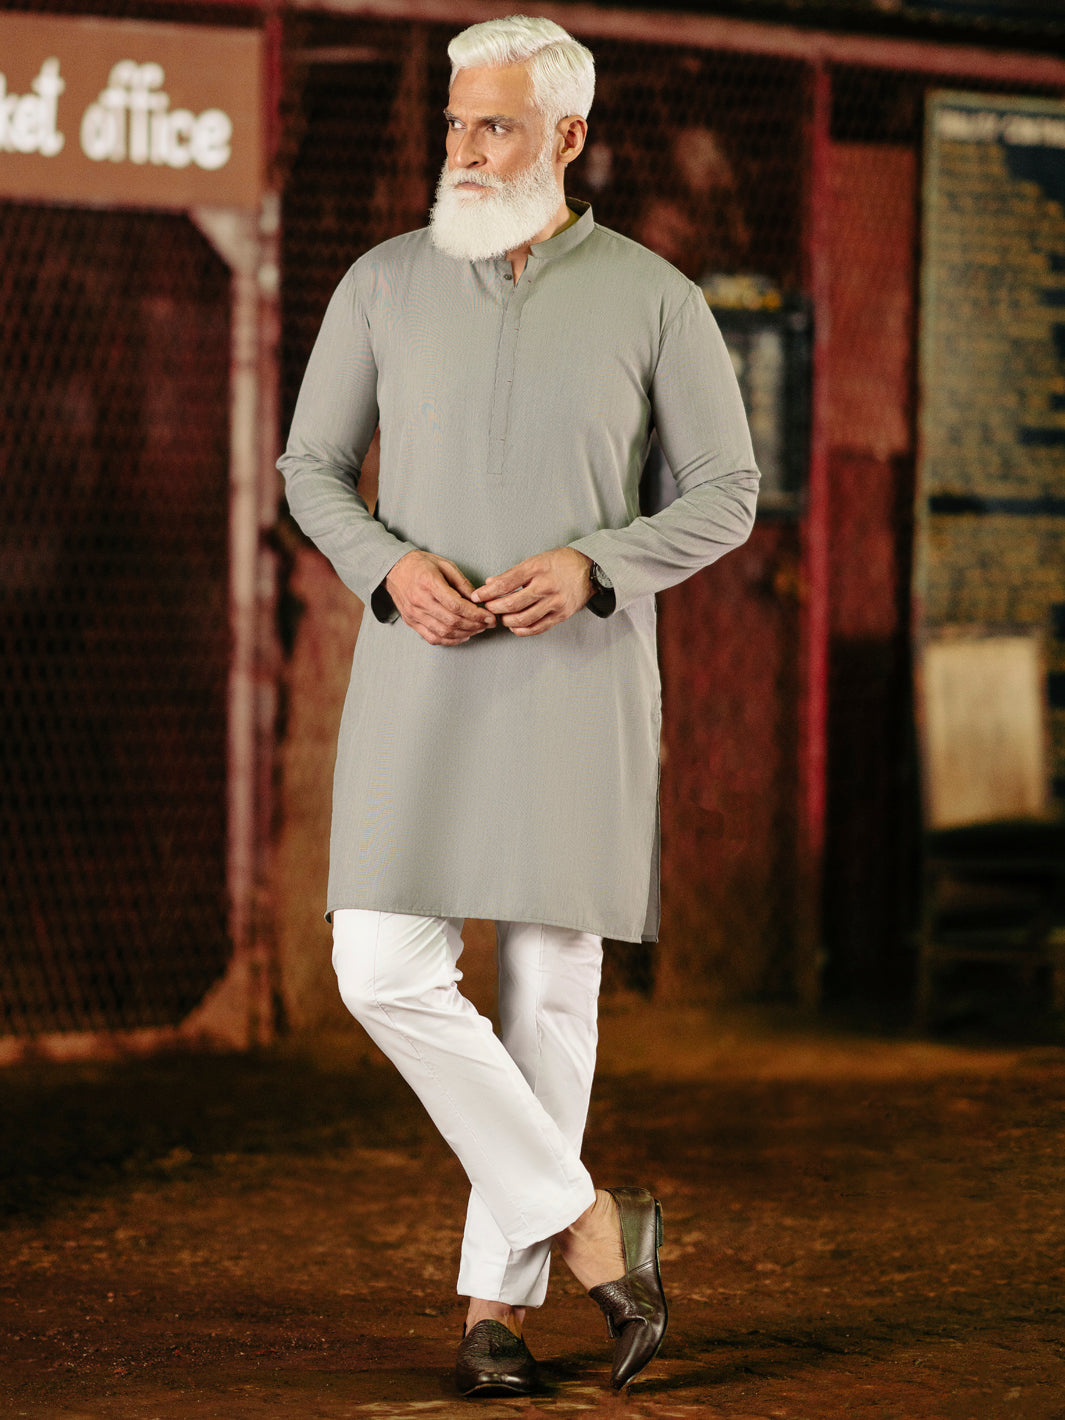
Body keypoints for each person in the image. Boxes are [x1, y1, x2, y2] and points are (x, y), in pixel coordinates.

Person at [278, 14, 759, 1397]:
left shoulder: (657, 298)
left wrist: (597, 564)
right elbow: (311, 468)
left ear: (567, 136)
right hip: (418, 665)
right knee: (379, 968)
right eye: (454, 124)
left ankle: (493, 1309)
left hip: (576, 678)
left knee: (548, 999)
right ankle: (594, 1225)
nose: (465, 150)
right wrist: (388, 567)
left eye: (493, 125)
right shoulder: (380, 282)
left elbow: (726, 493)